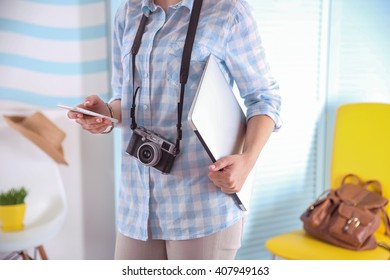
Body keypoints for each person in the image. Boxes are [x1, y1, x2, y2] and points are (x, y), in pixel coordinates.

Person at [67, 0, 281, 260]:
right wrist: (106, 114)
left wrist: (247, 161)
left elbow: (263, 98)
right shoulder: (128, 12)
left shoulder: (229, 10)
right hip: (136, 206)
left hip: (202, 205)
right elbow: (126, 98)